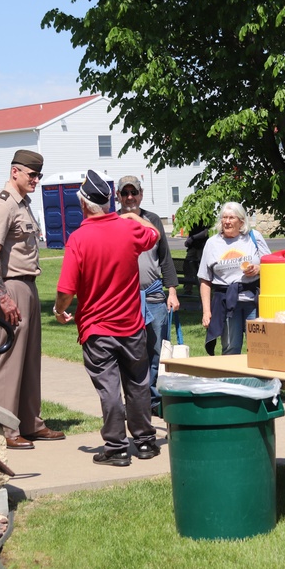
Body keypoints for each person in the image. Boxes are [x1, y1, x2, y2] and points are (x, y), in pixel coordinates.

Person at [53, 169, 161, 467]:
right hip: (132, 324)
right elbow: (153, 234)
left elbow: (66, 290)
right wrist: (132, 216)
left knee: (109, 388)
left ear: (84, 205)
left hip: (97, 327)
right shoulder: (129, 229)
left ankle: (116, 448)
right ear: (111, 202)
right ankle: (145, 441)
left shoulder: (79, 238)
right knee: (138, 382)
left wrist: (59, 309)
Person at [0, 149, 65, 450]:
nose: (36, 180)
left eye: (38, 175)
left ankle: (31, 423)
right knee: (10, 359)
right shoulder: (2, 205)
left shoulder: (24, 204)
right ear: (14, 171)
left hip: (27, 285)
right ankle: (6, 425)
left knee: (29, 359)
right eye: (32, 175)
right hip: (11, 287)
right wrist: (3, 298)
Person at [116, 175, 180, 416]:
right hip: (125, 299)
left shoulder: (152, 220)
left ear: (141, 194)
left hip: (153, 297)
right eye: (125, 193)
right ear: (119, 196)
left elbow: (164, 257)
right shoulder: (113, 221)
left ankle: (154, 399)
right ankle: (134, 401)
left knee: (155, 350)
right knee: (130, 352)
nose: (130, 197)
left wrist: (171, 291)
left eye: (134, 193)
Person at [198, 202, 271, 355]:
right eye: (224, 217)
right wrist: (206, 311)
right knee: (231, 346)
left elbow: (271, 266)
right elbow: (205, 279)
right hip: (227, 302)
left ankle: (259, 378)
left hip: (253, 301)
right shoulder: (212, 243)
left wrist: (258, 269)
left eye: (231, 218)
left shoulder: (254, 237)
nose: (227, 221)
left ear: (241, 221)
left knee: (259, 346)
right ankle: (232, 378)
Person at [180, 219, 211, 296]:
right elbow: (191, 232)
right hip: (192, 247)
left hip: (201, 247)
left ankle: (202, 289)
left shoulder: (206, 217)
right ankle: (188, 289)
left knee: (201, 268)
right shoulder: (192, 217)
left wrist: (192, 238)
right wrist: (188, 240)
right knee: (187, 267)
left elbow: (206, 232)